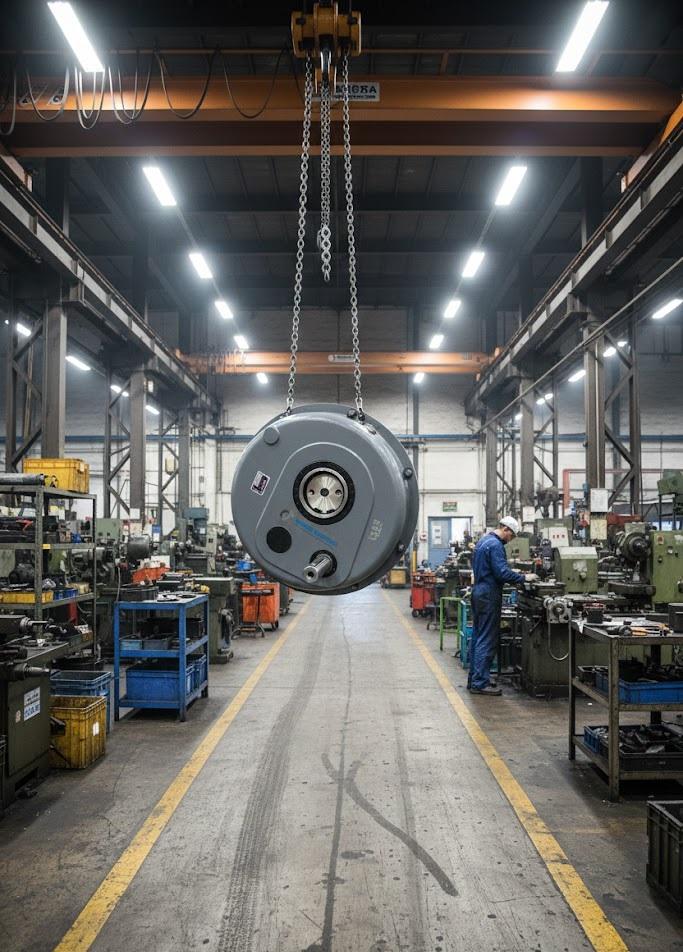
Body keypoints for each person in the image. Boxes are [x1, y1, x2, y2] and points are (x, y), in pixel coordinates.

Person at [468, 517, 537, 696]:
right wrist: (523, 578)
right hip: (488, 595)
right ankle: (479, 683)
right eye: (511, 536)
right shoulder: (496, 545)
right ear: (506, 529)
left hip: (479, 592)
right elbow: (501, 573)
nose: (510, 540)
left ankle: (475, 678)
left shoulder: (483, 541)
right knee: (487, 638)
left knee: (478, 636)